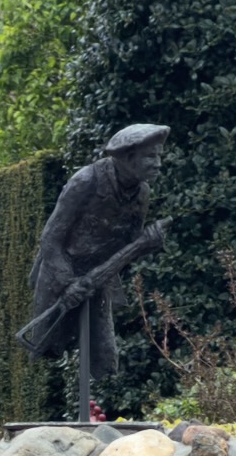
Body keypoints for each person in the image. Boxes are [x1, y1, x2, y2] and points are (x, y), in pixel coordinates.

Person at [17, 125, 170, 411]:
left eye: (159, 156)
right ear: (128, 156)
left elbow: (129, 244)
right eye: (150, 157)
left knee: (104, 354)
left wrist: (146, 244)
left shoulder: (142, 193)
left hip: (100, 276)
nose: (158, 164)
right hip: (60, 271)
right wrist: (67, 283)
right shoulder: (86, 181)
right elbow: (51, 237)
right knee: (51, 342)